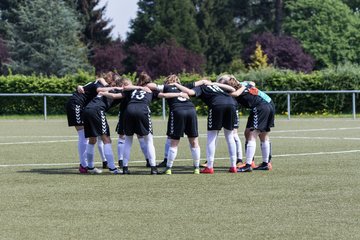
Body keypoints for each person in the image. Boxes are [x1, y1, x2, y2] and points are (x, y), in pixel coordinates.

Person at [174, 79, 238, 174]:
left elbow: (189, 92)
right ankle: (233, 166)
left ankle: (210, 167)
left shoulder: (201, 87)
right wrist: (215, 83)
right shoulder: (217, 86)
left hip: (217, 105)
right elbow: (232, 89)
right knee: (229, 136)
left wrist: (176, 85)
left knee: (212, 136)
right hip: (231, 104)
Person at [219, 76, 275, 172]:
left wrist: (213, 84)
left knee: (252, 135)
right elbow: (252, 82)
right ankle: (265, 163)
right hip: (269, 104)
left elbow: (236, 93)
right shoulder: (243, 84)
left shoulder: (235, 91)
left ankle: (248, 165)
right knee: (257, 133)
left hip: (260, 107)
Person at [65, 72, 114, 173]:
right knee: (83, 136)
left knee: (86, 136)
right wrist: (113, 88)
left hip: (79, 105)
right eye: (112, 81)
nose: (113, 84)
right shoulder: (100, 83)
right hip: (76, 105)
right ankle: (84, 166)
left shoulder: (97, 82)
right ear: (108, 79)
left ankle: (86, 164)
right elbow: (100, 88)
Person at [154, 74, 201, 174]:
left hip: (178, 111)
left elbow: (151, 86)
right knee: (194, 141)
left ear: (167, 81)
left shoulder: (166, 87)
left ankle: (168, 168)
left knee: (174, 142)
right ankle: (196, 168)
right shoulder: (184, 86)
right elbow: (199, 82)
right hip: (191, 110)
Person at [81, 75, 124, 174]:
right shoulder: (118, 91)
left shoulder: (107, 89)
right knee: (106, 139)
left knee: (92, 139)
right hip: (97, 111)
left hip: (87, 110)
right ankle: (113, 168)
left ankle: (90, 168)